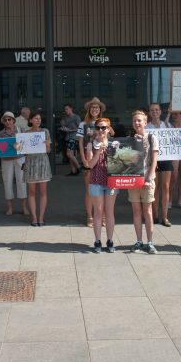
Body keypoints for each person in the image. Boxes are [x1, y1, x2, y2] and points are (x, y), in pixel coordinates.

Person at [86, 117, 118, 253]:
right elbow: (90, 165)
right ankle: (97, 241)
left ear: (109, 129)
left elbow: (121, 163)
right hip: (96, 181)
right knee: (98, 212)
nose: (101, 130)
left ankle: (110, 240)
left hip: (111, 181)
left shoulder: (115, 143)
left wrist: (112, 151)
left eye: (104, 127)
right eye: (98, 127)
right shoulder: (90, 144)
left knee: (109, 212)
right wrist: (98, 151)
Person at [129, 110, 159, 254]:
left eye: (139, 120)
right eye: (135, 120)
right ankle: (139, 241)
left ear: (145, 122)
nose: (137, 123)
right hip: (134, 179)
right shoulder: (130, 140)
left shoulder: (152, 137)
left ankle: (150, 242)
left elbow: (154, 160)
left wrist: (149, 178)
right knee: (136, 211)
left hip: (147, 179)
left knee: (147, 211)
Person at [77, 97, 107, 228]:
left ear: (100, 110)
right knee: (90, 189)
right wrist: (83, 159)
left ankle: (103, 216)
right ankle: (89, 216)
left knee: (104, 189)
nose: (95, 109)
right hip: (89, 159)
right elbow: (80, 142)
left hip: (102, 160)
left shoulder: (104, 123)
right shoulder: (83, 124)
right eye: (93, 107)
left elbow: (110, 137)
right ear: (89, 109)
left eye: (97, 107)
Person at [0, 111, 28, 216]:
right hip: (6, 160)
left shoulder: (21, 130)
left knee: (22, 182)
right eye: (5, 120)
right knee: (7, 182)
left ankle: (24, 207)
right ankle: (9, 208)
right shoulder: (1, 134)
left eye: (9, 119)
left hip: (20, 159)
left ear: (13, 120)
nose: (7, 121)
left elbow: (26, 145)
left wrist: (20, 146)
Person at [23, 111, 52, 226]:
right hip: (30, 163)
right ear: (30, 120)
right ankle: (34, 218)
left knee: (43, 192)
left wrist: (47, 144)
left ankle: (41, 217)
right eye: (35, 118)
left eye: (39, 118)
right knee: (31, 192)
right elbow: (23, 151)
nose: (38, 120)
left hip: (42, 163)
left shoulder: (45, 132)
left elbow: (49, 150)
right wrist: (19, 147)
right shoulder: (26, 133)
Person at [146, 103, 172, 226]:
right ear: (149, 113)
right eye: (152, 110)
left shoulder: (167, 125)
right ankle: (155, 214)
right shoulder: (147, 127)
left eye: (157, 110)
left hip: (166, 158)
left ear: (160, 112)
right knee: (154, 187)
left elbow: (175, 139)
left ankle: (165, 216)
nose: (155, 112)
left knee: (166, 187)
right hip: (153, 159)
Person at [60, 103, 81, 175]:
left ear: (71, 108)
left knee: (68, 153)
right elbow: (64, 126)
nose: (66, 111)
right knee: (70, 155)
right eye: (65, 109)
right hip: (67, 138)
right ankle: (73, 171)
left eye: (67, 109)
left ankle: (78, 166)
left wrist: (70, 131)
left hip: (74, 138)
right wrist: (63, 128)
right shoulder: (66, 118)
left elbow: (79, 128)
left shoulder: (76, 117)